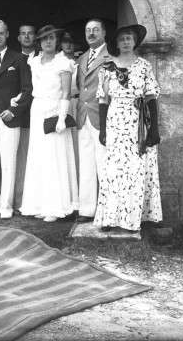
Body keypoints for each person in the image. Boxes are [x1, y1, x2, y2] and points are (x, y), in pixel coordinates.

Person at [94, 24, 162, 233]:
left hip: (138, 121)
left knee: (135, 168)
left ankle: (133, 220)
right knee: (114, 170)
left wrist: (154, 129)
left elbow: (150, 97)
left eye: (129, 39)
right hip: (115, 120)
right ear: (116, 43)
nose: (126, 42)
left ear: (135, 42)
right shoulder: (107, 68)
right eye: (122, 39)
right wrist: (103, 130)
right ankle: (110, 219)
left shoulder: (144, 66)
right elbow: (103, 100)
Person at [20, 25, 78, 222]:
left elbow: (66, 92)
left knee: (55, 157)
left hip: (55, 111)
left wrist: (62, 117)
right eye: (44, 39)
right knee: (39, 157)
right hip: (37, 110)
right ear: (39, 41)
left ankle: (55, 207)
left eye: (51, 38)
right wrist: (18, 98)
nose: (48, 42)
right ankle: (40, 204)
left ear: (57, 40)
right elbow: (33, 87)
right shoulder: (34, 61)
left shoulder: (63, 62)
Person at [0, 19, 33, 218]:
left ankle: (6, 207)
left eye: (1, 33)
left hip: (9, 116)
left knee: (9, 163)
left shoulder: (18, 59)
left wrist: (14, 110)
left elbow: (28, 90)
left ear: (7, 34)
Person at [75, 18, 110, 223]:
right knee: (86, 163)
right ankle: (87, 210)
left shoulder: (110, 57)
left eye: (96, 30)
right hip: (83, 115)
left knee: (103, 163)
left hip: (100, 115)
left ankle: (106, 210)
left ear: (104, 33)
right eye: (88, 30)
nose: (91, 33)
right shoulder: (82, 58)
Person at [14, 24, 39, 214]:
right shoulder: (14, 59)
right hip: (21, 116)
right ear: (18, 38)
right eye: (23, 34)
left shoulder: (43, 57)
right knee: (21, 160)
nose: (27, 37)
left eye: (30, 33)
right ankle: (20, 200)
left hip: (40, 114)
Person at [60, 31, 80, 173]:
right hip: (61, 105)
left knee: (77, 141)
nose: (68, 44)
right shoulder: (57, 61)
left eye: (71, 42)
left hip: (77, 103)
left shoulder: (80, 62)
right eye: (65, 42)